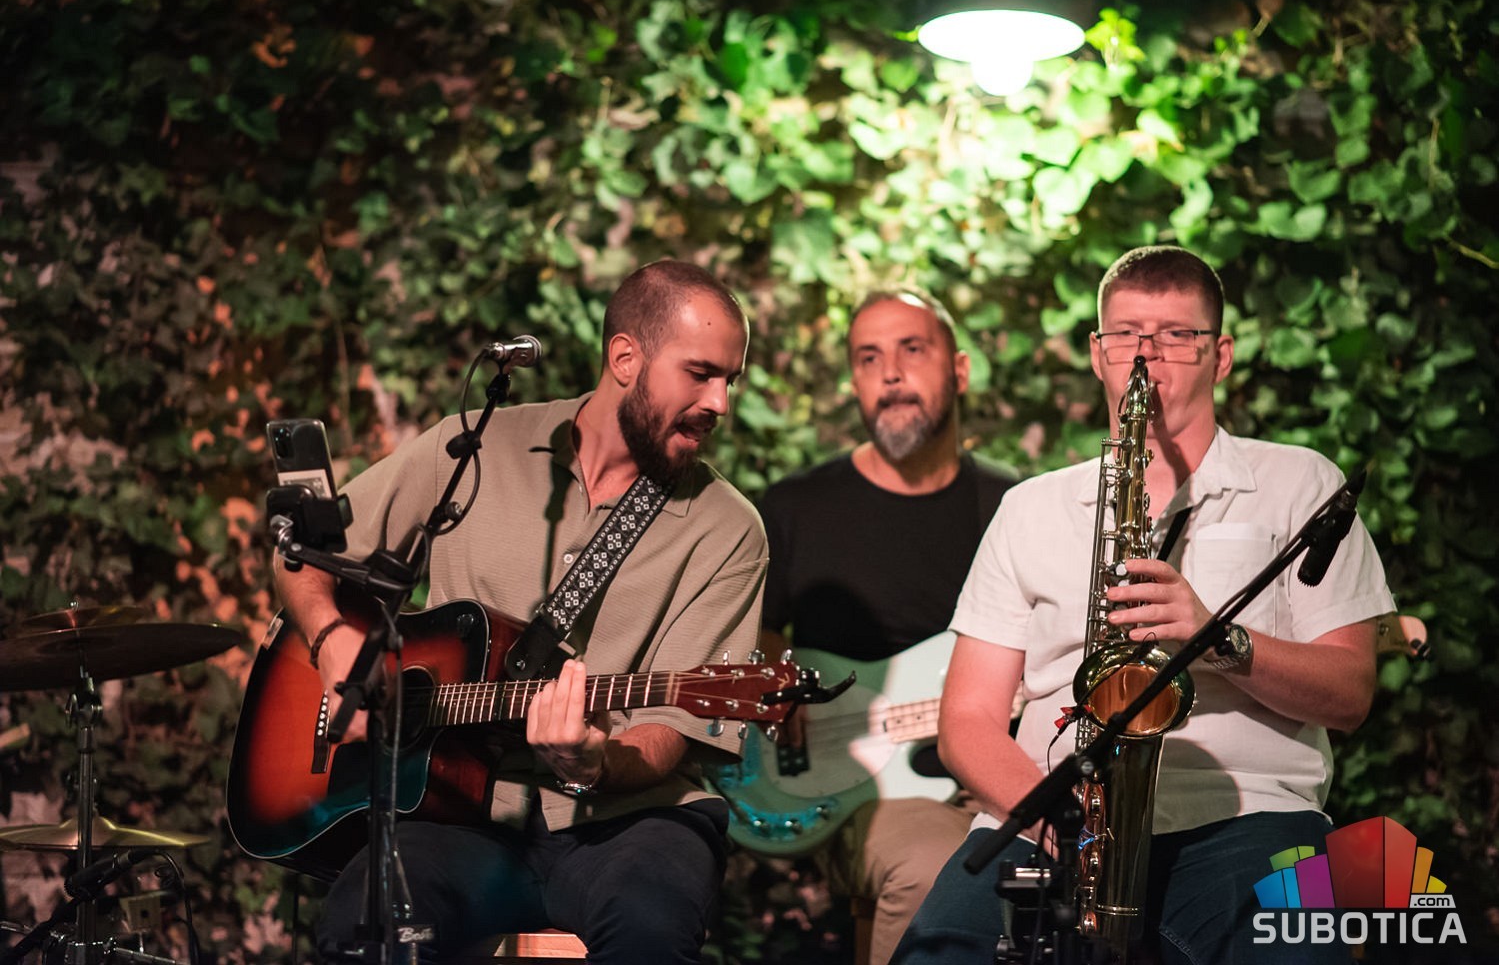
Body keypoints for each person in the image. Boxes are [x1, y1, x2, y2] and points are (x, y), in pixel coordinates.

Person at [892, 246, 1394, 965]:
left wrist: (1216, 638)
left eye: (1176, 335)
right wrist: (1059, 818)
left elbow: (1348, 693)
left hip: (1246, 816)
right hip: (1054, 815)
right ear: (1097, 353)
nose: (1145, 356)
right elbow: (967, 720)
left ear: (1220, 356)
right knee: (938, 955)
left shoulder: (1300, 483)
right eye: (1125, 334)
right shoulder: (1029, 507)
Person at [274, 260, 768, 964]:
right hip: (454, 811)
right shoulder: (474, 448)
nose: (719, 402)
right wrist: (332, 645)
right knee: (366, 927)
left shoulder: (729, 530)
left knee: (652, 933)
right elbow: (301, 555)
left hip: (630, 822)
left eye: (729, 381)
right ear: (625, 358)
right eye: (700, 374)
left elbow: (671, 732)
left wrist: (592, 762)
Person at [754, 290, 1014, 965]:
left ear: (960, 371)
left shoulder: (1013, 507)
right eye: (868, 358)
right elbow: (752, 632)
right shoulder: (795, 506)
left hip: (1002, 770)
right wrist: (775, 674)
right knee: (933, 866)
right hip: (858, 791)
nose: (890, 374)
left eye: (912, 350)